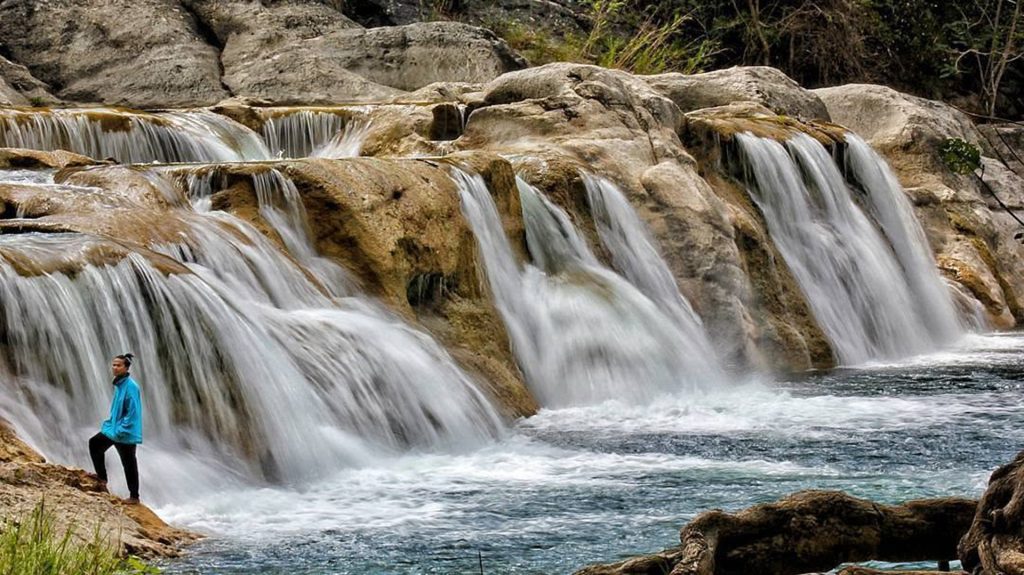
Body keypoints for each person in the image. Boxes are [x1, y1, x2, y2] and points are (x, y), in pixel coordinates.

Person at [89, 353, 143, 504]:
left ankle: (134, 497)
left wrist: (121, 429)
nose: (115, 368)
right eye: (113, 365)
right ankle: (102, 479)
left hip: (124, 432)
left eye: (118, 365)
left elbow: (133, 413)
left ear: (126, 368)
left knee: (129, 463)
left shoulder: (131, 387)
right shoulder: (120, 384)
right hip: (115, 429)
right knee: (95, 444)